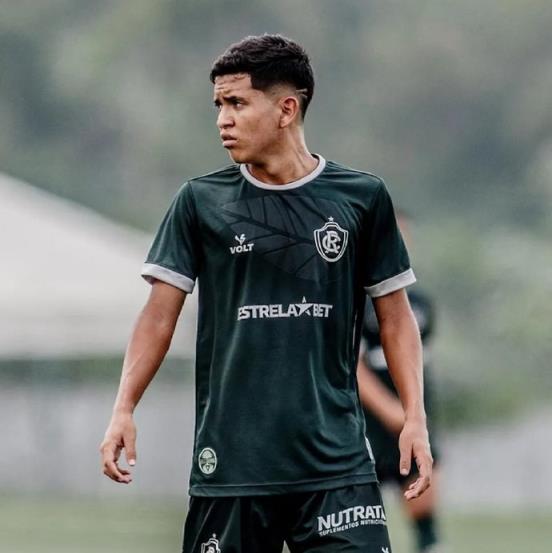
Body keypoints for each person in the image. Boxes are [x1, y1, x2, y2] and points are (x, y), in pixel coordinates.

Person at [100, 34, 432, 553]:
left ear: (286, 109)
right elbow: (159, 316)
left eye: (237, 103)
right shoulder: (200, 201)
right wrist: (124, 407)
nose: (222, 120)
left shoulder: (362, 198)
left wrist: (415, 417)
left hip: (336, 466)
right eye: (218, 105)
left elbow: (395, 317)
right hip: (232, 467)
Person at [357, 212, 443, 553]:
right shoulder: (354, 299)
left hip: (412, 420)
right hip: (368, 424)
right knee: (360, 519)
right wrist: (391, 410)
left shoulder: (421, 304)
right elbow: (352, 366)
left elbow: (421, 364)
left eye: (404, 237)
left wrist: (416, 412)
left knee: (425, 513)